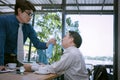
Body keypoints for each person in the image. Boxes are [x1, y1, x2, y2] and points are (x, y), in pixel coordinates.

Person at [0, 0, 56, 69]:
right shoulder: (3, 21)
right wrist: (0, 63)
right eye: (29, 14)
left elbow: (37, 43)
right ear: (19, 11)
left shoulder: (29, 28)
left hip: (16, 59)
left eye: (31, 15)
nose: (30, 17)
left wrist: (47, 44)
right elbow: (0, 43)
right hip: (2, 57)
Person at [24, 31, 89, 80]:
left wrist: (31, 67)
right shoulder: (75, 52)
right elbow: (59, 67)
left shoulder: (72, 53)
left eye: (65, 36)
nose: (62, 39)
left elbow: (55, 68)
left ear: (71, 39)